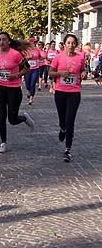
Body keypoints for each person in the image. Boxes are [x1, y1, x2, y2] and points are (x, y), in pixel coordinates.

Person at [0, 32, 35, 153]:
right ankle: (3, 142)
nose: (1, 42)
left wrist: (16, 75)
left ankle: (24, 118)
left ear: (9, 41)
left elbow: (27, 68)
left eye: (4, 40)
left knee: (12, 119)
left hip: (13, 89)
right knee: (1, 116)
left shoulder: (16, 54)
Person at [49, 34, 87, 162]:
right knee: (62, 119)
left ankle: (67, 149)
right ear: (64, 44)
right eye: (68, 43)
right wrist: (60, 73)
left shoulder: (80, 57)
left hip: (74, 92)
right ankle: (62, 128)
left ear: (76, 45)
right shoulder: (58, 57)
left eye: (73, 43)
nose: (71, 45)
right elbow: (51, 72)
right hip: (60, 92)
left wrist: (83, 73)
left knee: (70, 121)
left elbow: (83, 70)